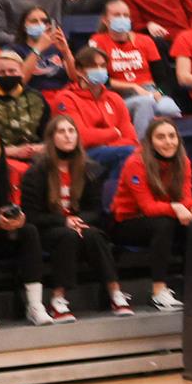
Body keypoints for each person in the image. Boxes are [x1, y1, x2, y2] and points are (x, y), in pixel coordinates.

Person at [25, 114, 120, 322]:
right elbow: (31, 215)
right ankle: (57, 301)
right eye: (62, 132)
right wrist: (64, 221)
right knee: (66, 236)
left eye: (71, 131)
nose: (68, 136)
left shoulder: (89, 169)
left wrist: (77, 220)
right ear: (51, 138)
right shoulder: (36, 172)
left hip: (78, 225)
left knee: (95, 235)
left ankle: (115, 293)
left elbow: (95, 210)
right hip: (47, 230)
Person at [111, 116, 192, 311]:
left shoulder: (183, 161)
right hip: (127, 222)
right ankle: (158, 292)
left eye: (172, 136)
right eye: (161, 137)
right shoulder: (136, 163)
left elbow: (185, 197)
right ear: (150, 141)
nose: (168, 142)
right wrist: (176, 208)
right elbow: (147, 207)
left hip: (162, 218)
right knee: (164, 223)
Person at [91, 0, 182, 139]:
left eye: (126, 15)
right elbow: (101, 79)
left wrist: (159, 92)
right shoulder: (98, 41)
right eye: (116, 15)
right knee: (145, 103)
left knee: (169, 109)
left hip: (149, 90)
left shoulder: (145, 40)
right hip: (118, 95)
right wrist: (133, 87)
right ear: (105, 20)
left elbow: (162, 77)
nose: (122, 19)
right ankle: (142, 148)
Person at [49, 46, 139, 180]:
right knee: (127, 154)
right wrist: (115, 133)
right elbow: (79, 138)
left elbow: (131, 138)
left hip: (113, 152)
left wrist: (107, 144)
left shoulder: (115, 98)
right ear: (79, 71)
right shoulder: (66, 99)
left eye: (103, 66)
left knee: (139, 154)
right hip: (80, 154)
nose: (99, 70)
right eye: (93, 66)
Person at [0, 128, 35, 329]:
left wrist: (19, 219)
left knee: (29, 230)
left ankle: (34, 306)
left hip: (2, 237)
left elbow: (17, 205)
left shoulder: (11, 173)